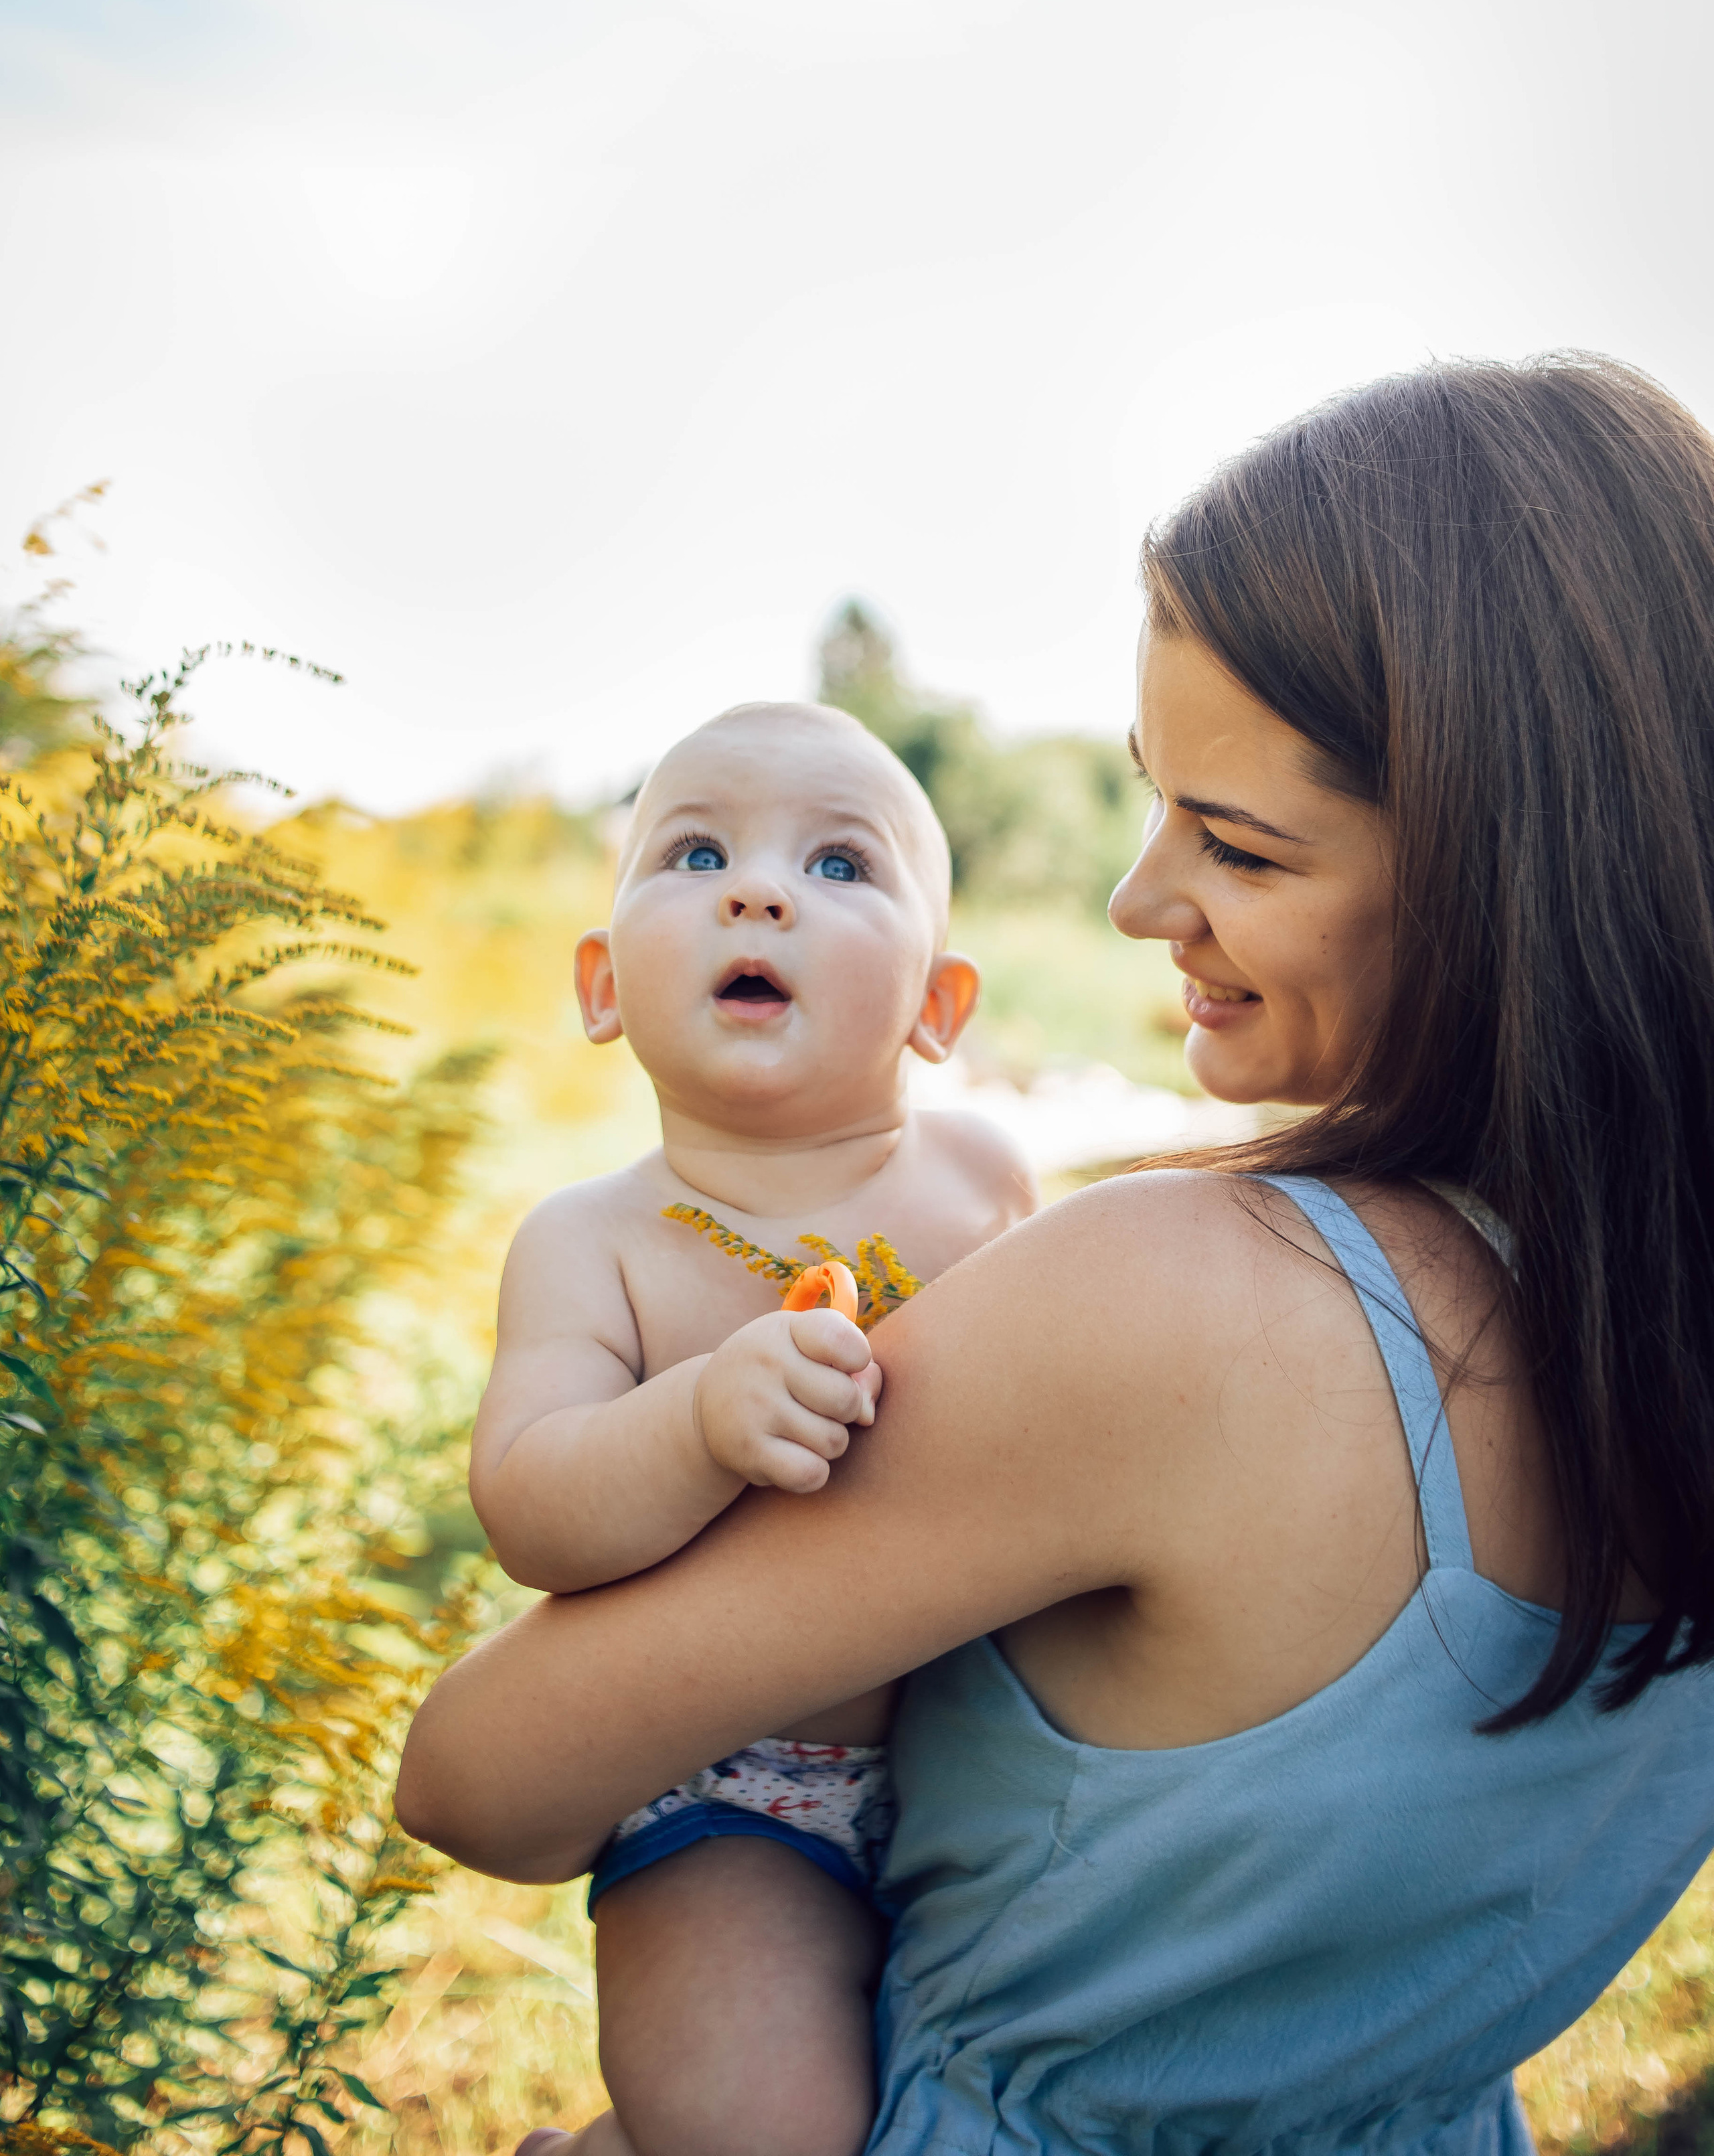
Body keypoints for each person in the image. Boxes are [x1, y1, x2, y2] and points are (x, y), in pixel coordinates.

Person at [400, 353, 1714, 2156]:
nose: (1135, 898)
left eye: (1237, 843)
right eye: (1152, 802)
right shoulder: (1668, 1339)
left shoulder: (1187, 1307)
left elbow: (477, 1778)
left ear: (1515, 873)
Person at [469, 699, 1036, 2156]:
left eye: (840, 866)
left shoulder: (981, 1183)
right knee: (759, 2124)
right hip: (734, 1797)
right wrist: (696, 1417)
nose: (760, 889)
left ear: (936, 1005)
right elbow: (529, 1503)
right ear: (601, 985)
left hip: (996, 1760)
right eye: (698, 850)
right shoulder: (590, 1243)